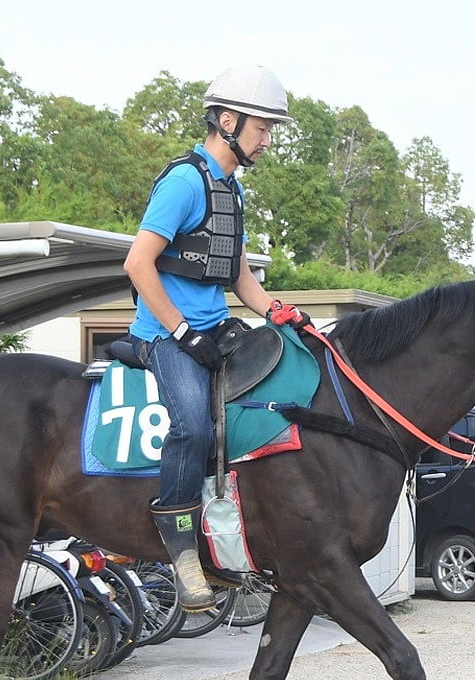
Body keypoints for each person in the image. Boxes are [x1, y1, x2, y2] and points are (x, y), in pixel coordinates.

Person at [123, 64, 306, 613]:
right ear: (227, 121)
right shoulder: (184, 181)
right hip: (163, 336)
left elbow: (241, 278)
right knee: (195, 427)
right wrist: (180, 331)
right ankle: (180, 555)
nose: (268, 140)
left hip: (213, 331)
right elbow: (138, 264)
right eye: (262, 128)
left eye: (271, 130)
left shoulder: (233, 191)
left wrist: (279, 312)